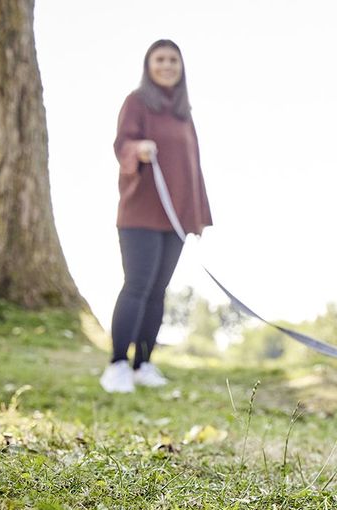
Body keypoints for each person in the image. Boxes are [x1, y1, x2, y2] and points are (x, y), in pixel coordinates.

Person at [100, 39, 212, 393]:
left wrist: (197, 216)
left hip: (175, 220)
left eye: (173, 60)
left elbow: (193, 168)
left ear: (181, 67)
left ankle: (143, 364)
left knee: (159, 291)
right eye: (160, 59)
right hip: (140, 214)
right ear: (149, 65)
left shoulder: (183, 113)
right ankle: (117, 364)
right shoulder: (136, 102)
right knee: (137, 286)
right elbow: (122, 145)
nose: (167, 65)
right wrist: (139, 148)